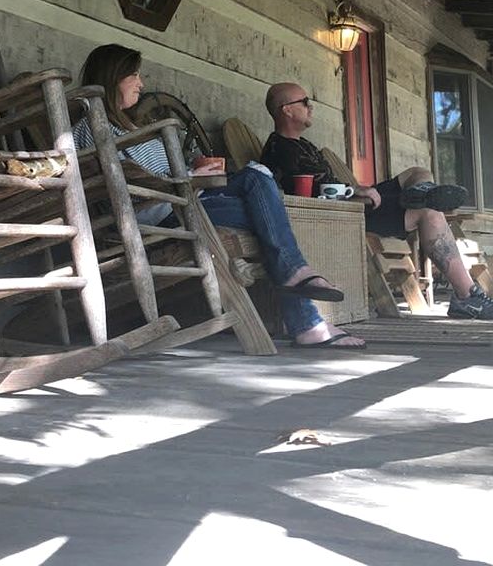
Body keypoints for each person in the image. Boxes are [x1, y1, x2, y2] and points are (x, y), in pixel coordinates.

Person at [72, 45, 367, 350]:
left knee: (258, 179)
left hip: (187, 199)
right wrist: (187, 178)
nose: (141, 83)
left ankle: (304, 305)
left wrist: (193, 171)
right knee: (269, 215)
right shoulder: (90, 128)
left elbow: (157, 171)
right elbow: (123, 182)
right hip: (160, 213)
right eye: (133, 74)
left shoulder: (127, 127)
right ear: (113, 77)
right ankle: (305, 315)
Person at [261, 82, 493, 320]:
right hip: (341, 214)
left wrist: (357, 190)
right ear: (287, 111)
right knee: (430, 212)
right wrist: (355, 193)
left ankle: (419, 193)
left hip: (352, 201)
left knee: (417, 173)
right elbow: (306, 198)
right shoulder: (280, 151)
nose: (311, 106)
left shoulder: (301, 145)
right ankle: (466, 296)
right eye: (305, 102)